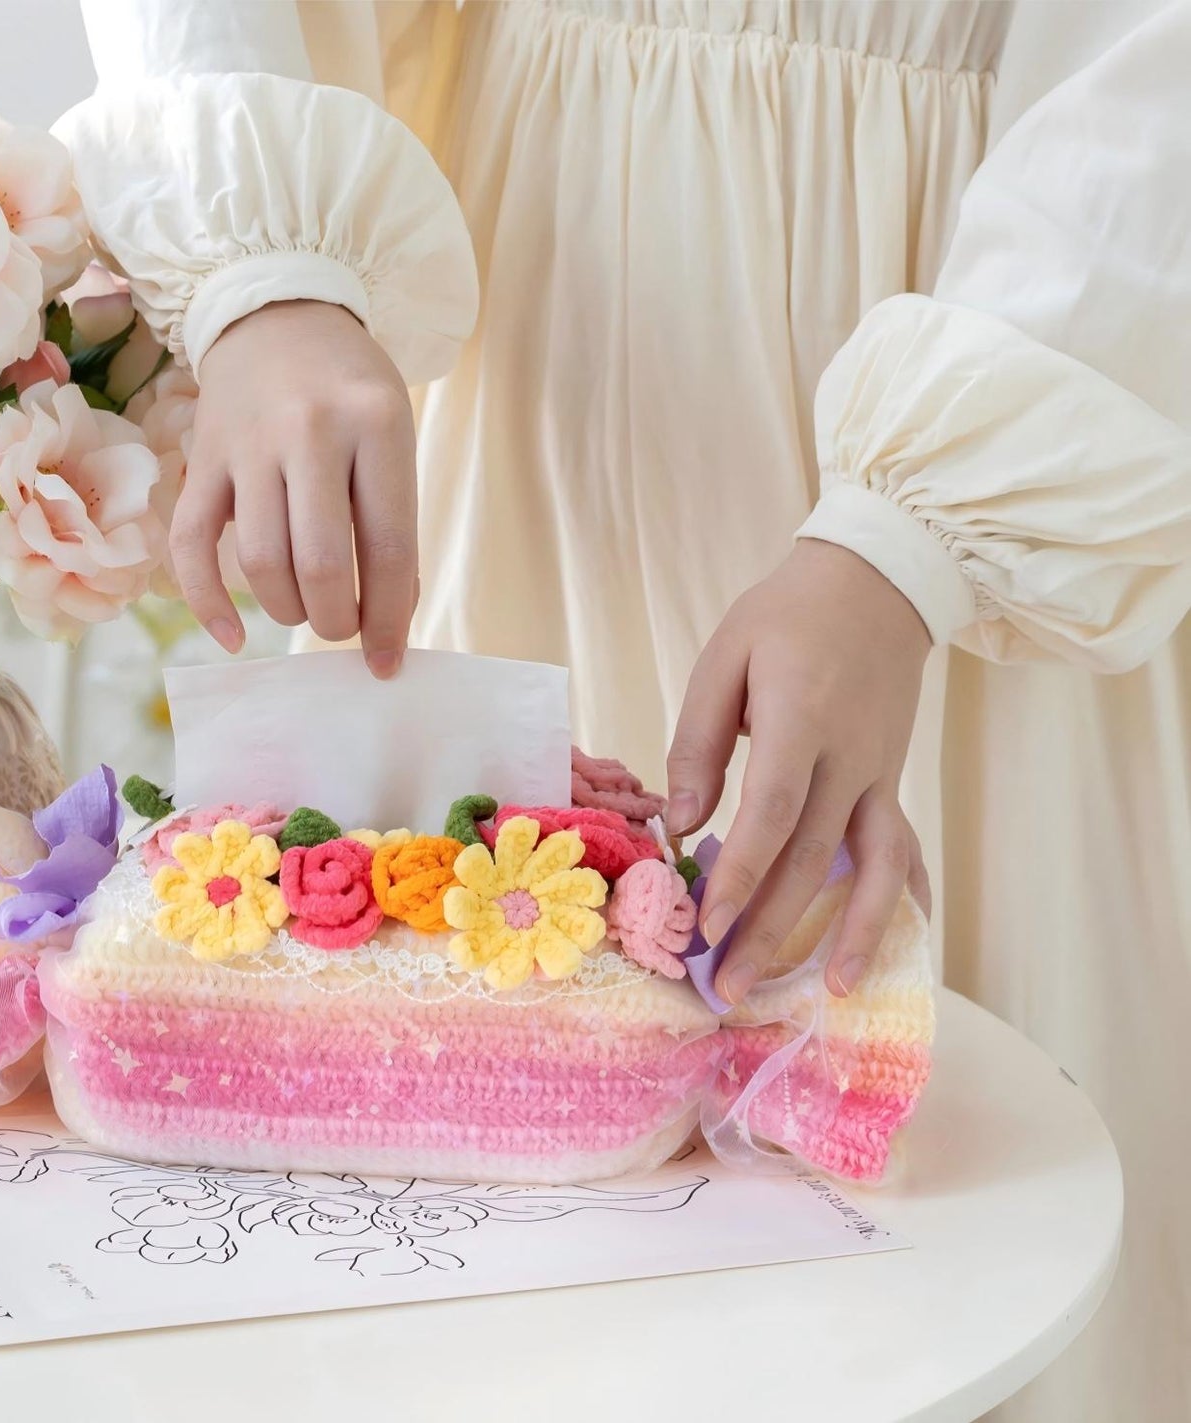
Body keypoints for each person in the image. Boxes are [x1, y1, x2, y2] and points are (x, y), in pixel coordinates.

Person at [57, 3, 1191, 1417]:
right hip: (535, 359)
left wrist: (916, 544)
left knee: (952, 1204)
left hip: (992, 362)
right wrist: (268, 274)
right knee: (461, 1201)